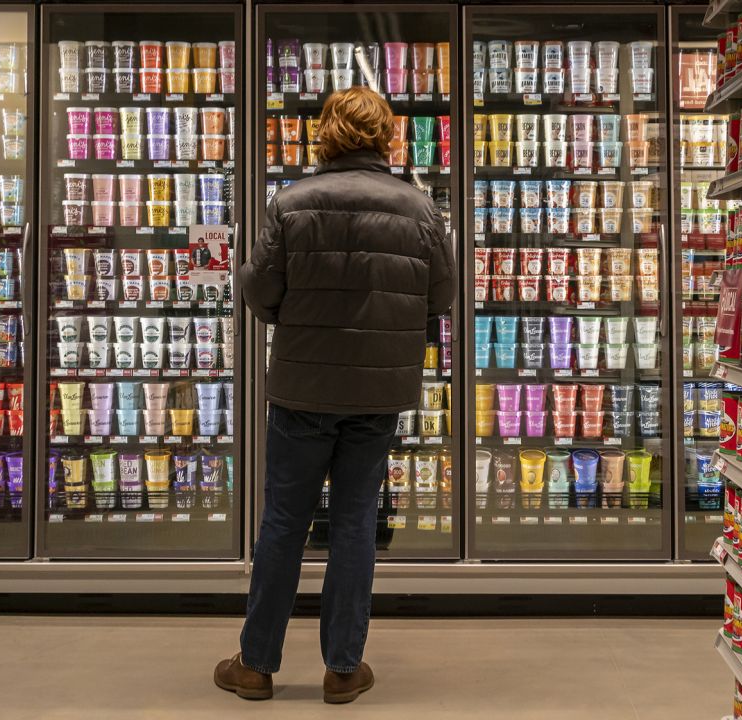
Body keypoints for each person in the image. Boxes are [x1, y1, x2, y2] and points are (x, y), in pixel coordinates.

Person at [214, 86, 455, 704]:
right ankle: (344, 668)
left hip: (301, 389)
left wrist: (246, 274)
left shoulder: (291, 203)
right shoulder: (420, 209)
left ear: (327, 133)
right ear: (386, 137)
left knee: (284, 522)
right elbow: (442, 297)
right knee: (354, 525)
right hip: (377, 391)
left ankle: (256, 664)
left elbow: (262, 294)